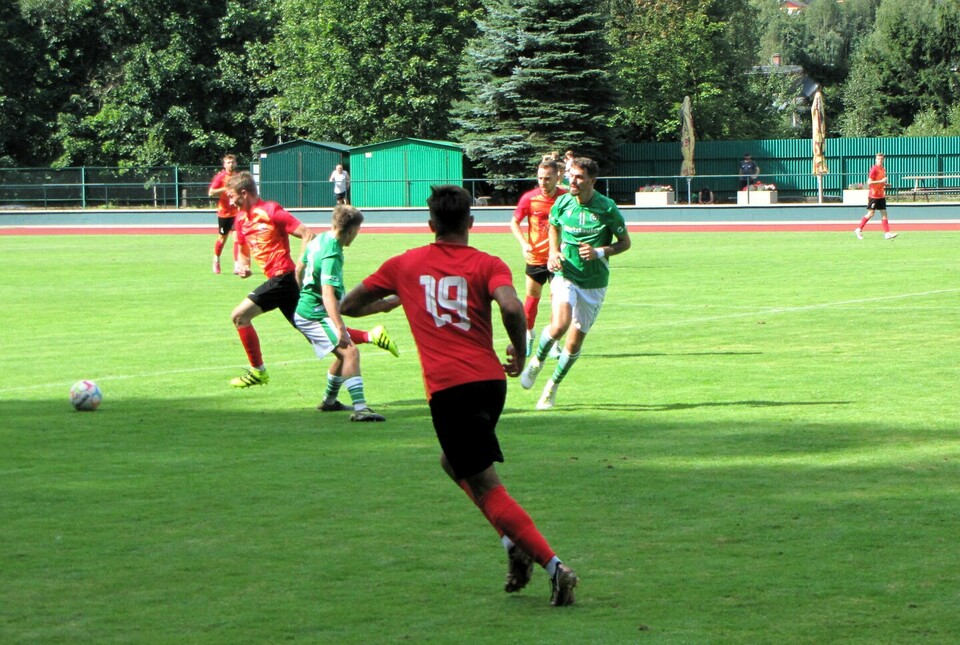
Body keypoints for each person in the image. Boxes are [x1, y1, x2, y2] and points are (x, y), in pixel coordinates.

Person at [340, 185, 580, 607]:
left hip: (451, 389)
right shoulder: (488, 263)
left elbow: (348, 305)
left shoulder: (404, 264)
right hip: (491, 383)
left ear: (430, 224)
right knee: (453, 463)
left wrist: (392, 302)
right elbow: (511, 307)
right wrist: (520, 352)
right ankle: (513, 545)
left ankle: (554, 566)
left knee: (485, 484)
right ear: (470, 222)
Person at [227, 171, 398, 388]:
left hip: (283, 278)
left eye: (231, 196)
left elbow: (307, 234)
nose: (230, 202)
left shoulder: (270, 210)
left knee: (239, 316)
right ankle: (371, 336)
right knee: (313, 330)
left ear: (244, 193)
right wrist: (243, 266)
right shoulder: (241, 220)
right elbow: (243, 253)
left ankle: (258, 371)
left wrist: (300, 266)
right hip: (280, 282)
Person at [520, 157, 632, 410]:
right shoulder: (562, 202)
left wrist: (599, 252)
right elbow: (554, 227)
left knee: (573, 344)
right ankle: (537, 361)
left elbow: (625, 242)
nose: (573, 181)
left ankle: (551, 387)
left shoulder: (607, 208)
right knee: (559, 325)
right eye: (571, 175)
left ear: (592, 180)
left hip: (594, 282)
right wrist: (553, 253)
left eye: (579, 177)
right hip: (566, 274)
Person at [294, 205, 398, 421]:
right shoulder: (332, 253)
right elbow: (328, 294)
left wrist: (304, 292)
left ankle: (329, 402)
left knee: (343, 357)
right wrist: (340, 328)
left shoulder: (318, 240)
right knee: (350, 352)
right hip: (314, 315)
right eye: (358, 230)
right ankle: (361, 409)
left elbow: (299, 269)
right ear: (351, 230)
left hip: (311, 309)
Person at [510, 159, 567, 356]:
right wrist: (524, 243)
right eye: (540, 178)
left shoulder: (565, 198)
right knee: (531, 302)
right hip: (535, 258)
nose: (543, 182)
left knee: (557, 301)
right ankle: (529, 335)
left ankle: (554, 343)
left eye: (547, 178)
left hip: (558, 258)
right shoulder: (530, 198)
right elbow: (514, 222)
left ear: (557, 177)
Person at [208, 154, 239, 275]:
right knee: (222, 239)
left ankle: (237, 265)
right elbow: (211, 192)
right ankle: (216, 259)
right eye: (228, 162)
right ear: (224, 164)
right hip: (224, 213)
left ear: (236, 163)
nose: (231, 164)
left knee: (237, 238)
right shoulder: (220, 177)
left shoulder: (238, 177)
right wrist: (225, 189)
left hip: (237, 212)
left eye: (232, 162)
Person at [855, 152, 897, 240]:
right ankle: (858, 229)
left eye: (881, 159)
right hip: (874, 195)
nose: (880, 160)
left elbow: (880, 181)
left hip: (881, 195)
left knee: (884, 213)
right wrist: (881, 181)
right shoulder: (874, 169)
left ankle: (887, 233)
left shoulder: (883, 169)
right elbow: (869, 182)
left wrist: (885, 184)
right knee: (871, 213)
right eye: (878, 159)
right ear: (876, 159)